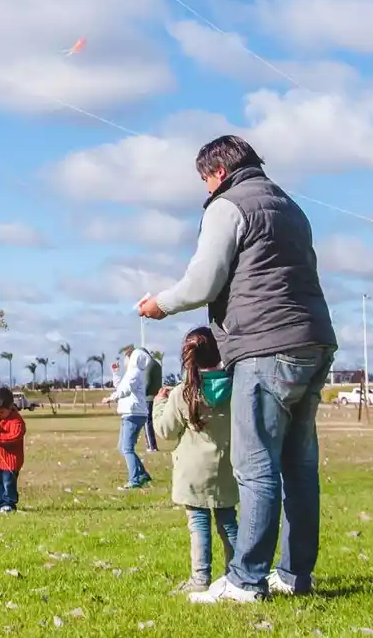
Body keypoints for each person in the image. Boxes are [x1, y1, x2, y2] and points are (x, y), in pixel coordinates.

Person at [136, 135, 336, 604]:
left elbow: (205, 281)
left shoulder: (228, 205)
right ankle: (292, 574)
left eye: (204, 180)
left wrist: (160, 304)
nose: (204, 189)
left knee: (256, 465)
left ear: (218, 172)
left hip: (267, 346)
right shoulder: (289, 206)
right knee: (300, 466)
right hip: (315, 340)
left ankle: (246, 580)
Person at [153, 327, 239, 595]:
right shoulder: (237, 386)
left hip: (192, 474)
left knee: (198, 525)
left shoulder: (183, 392)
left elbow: (166, 431)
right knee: (229, 523)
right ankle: (238, 574)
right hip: (227, 468)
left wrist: (158, 404)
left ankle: (200, 579)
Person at [102, 346, 155, 490]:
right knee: (123, 448)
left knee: (127, 448)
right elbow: (121, 386)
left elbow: (125, 390)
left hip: (133, 414)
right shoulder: (133, 373)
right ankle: (142, 474)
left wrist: (111, 398)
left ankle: (135, 480)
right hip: (132, 414)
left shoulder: (135, 373)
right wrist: (115, 373)